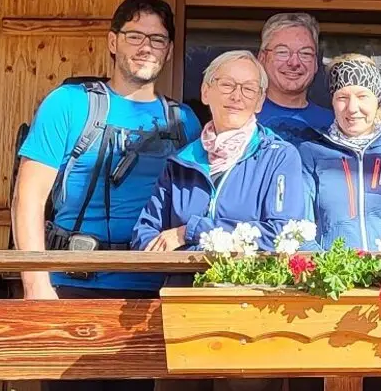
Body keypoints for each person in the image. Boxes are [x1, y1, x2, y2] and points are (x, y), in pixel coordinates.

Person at [12, 0, 200, 302]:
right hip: (72, 281)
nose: (146, 47)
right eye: (135, 36)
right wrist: (35, 284)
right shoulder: (69, 104)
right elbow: (28, 198)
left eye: (157, 39)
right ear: (113, 42)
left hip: (160, 289)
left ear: (169, 53)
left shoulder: (184, 122)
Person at [134, 50, 315, 259]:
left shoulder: (278, 157)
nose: (236, 96)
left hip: (248, 288)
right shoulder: (182, 161)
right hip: (182, 287)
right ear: (205, 92)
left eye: (248, 89)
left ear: (259, 101)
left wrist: (188, 232)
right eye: (227, 85)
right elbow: (145, 233)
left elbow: (283, 233)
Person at [298, 54, 381, 252]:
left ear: (377, 100)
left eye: (362, 96)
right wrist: (327, 271)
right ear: (332, 102)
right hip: (331, 277)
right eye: (342, 97)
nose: (352, 108)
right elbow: (301, 230)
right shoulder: (311, 154)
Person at [257, 12, 335, 137]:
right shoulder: (244, 118)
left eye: (305, 53)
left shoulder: (335, 125)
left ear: (316, 63)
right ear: (262, 58)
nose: (294, 63)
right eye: (282, 52)